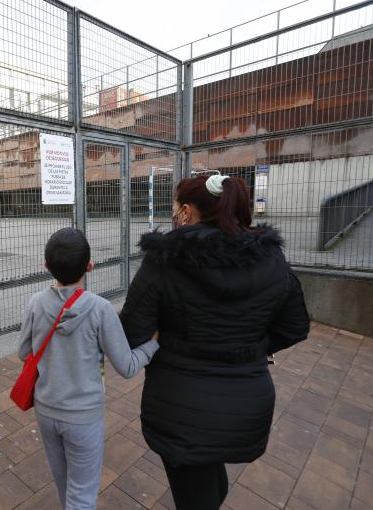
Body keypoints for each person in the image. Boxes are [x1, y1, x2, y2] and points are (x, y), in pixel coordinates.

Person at [119, 174, 309, 510]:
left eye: (176, 208)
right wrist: (250, 347)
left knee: (195, 493)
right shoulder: (270, 257)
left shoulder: (165, 260)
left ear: (188, 212)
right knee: (206, 483)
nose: (174, 215)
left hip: (180, 408)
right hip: (247, 402)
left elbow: (132, 332)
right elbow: (294, 327)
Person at [18, 227, 159, 510]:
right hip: (83, 416)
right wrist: (154, 343)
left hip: (46, 410)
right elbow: (128, 366)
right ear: (90, 265)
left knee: (64, 483)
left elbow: (24, 352)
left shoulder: (36, 303)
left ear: (46, 266)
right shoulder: (100, 309)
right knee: (82, 494)